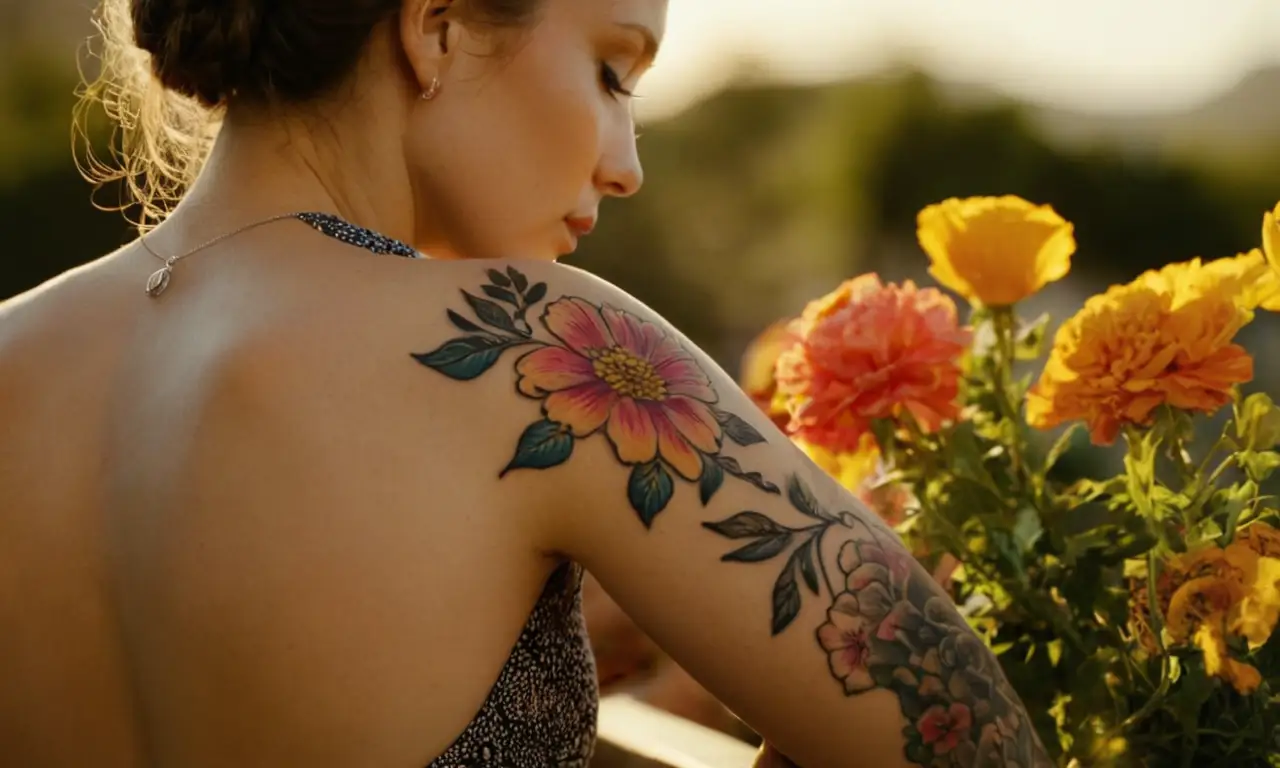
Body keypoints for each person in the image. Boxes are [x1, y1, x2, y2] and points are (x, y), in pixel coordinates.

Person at [0, 0, 1051, 766]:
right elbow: (976, 752)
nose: (625, 162)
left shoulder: (15, 353)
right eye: (612, 71)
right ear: (438, 28)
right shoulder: (537, 350)